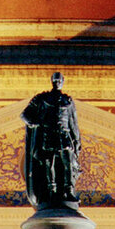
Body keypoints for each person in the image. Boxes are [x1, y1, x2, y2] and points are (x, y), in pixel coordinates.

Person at [21, 72, 80, 210]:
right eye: (55, 80)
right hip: (48, 136)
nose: (57, 82)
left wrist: (77, 142)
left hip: (64, 137)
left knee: (67, 164)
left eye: (59, 80)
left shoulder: (68, 101)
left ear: (63, 82)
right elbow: (25, 115)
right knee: (49, 164)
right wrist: (36, 123)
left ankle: (68, 190)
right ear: (52, 81)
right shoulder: (42, 98)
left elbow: (73, 124)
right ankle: (51, 191)